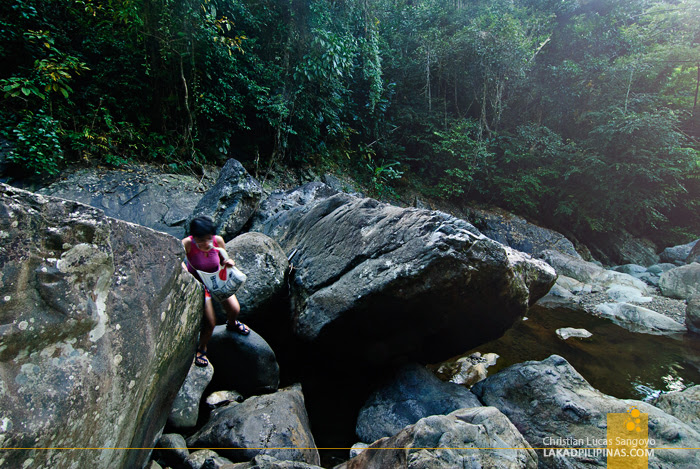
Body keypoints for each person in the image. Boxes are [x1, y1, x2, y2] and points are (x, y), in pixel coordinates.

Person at [182, 216, 250, 367]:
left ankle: (231, 324)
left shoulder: (217, 240)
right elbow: (179, 259)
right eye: (201, 241)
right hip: (200, 284)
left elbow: (223, 258)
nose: (206, 244)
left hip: (217, 280)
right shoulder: (187, 244)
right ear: (194, 237)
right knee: (210, 321)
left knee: (234, 309)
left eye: (208, 239)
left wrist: (228, 262)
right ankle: (202, 348)